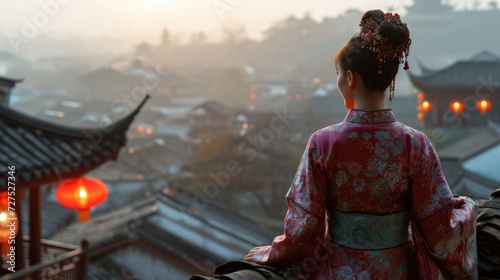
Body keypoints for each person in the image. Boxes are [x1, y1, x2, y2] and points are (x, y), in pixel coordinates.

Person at [244, 10, 478, 279]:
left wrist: (271, 253)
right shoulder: (415, 144)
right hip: (398, 270)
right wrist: (468, 207)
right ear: (390, 79)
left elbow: (304, 229)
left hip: (338, 270)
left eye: (339, 74)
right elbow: (440, 226)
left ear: (351, 79)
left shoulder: (323, 142)